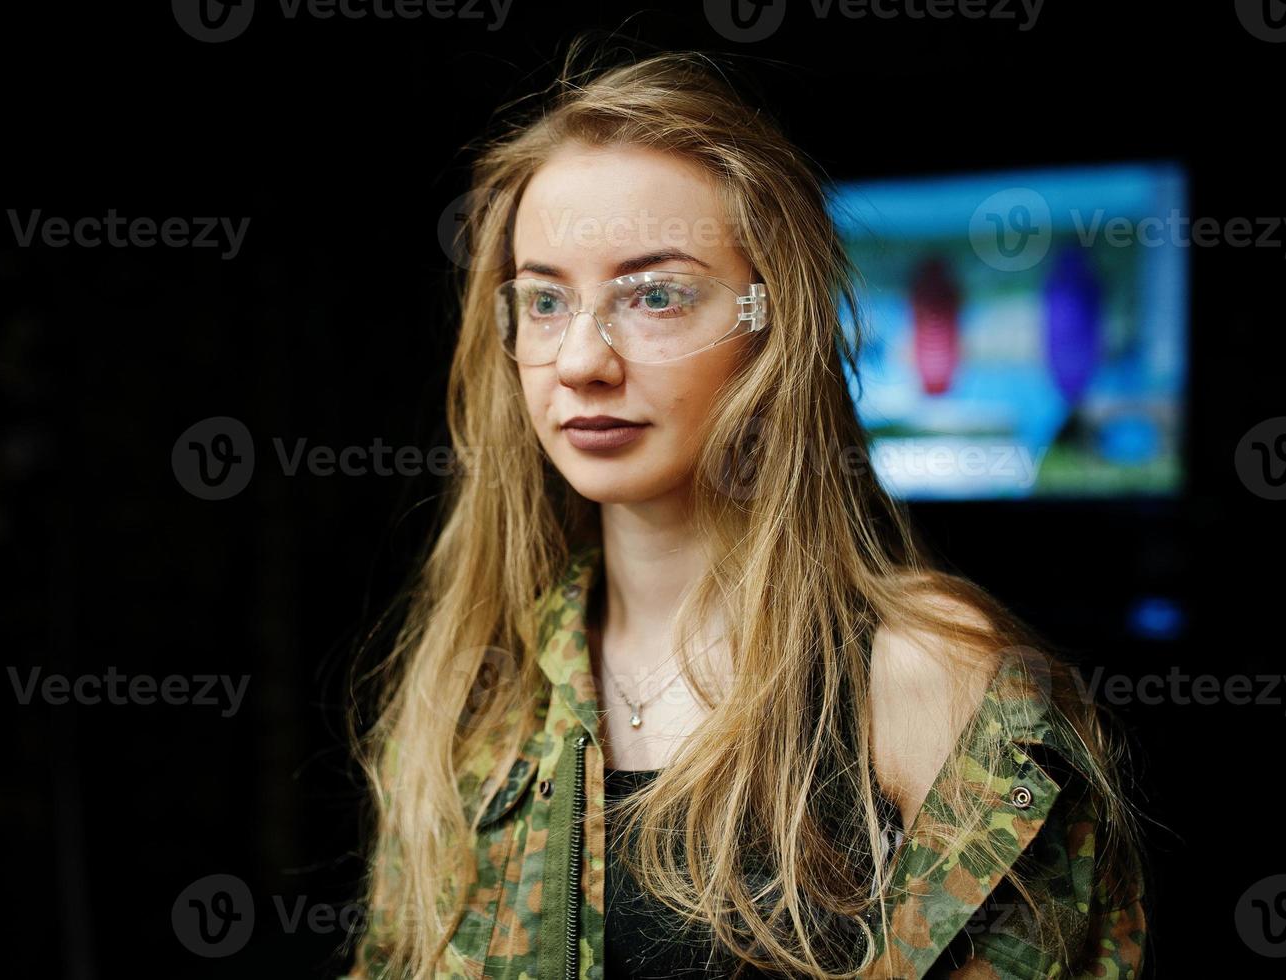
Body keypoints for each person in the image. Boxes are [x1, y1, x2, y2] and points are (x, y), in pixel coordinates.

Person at [343, 42, 1147, 980]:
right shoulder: (471, 695)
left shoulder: (931, 682)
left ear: (774, 325)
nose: (580, 362)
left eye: (656, 295)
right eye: (546, 300)